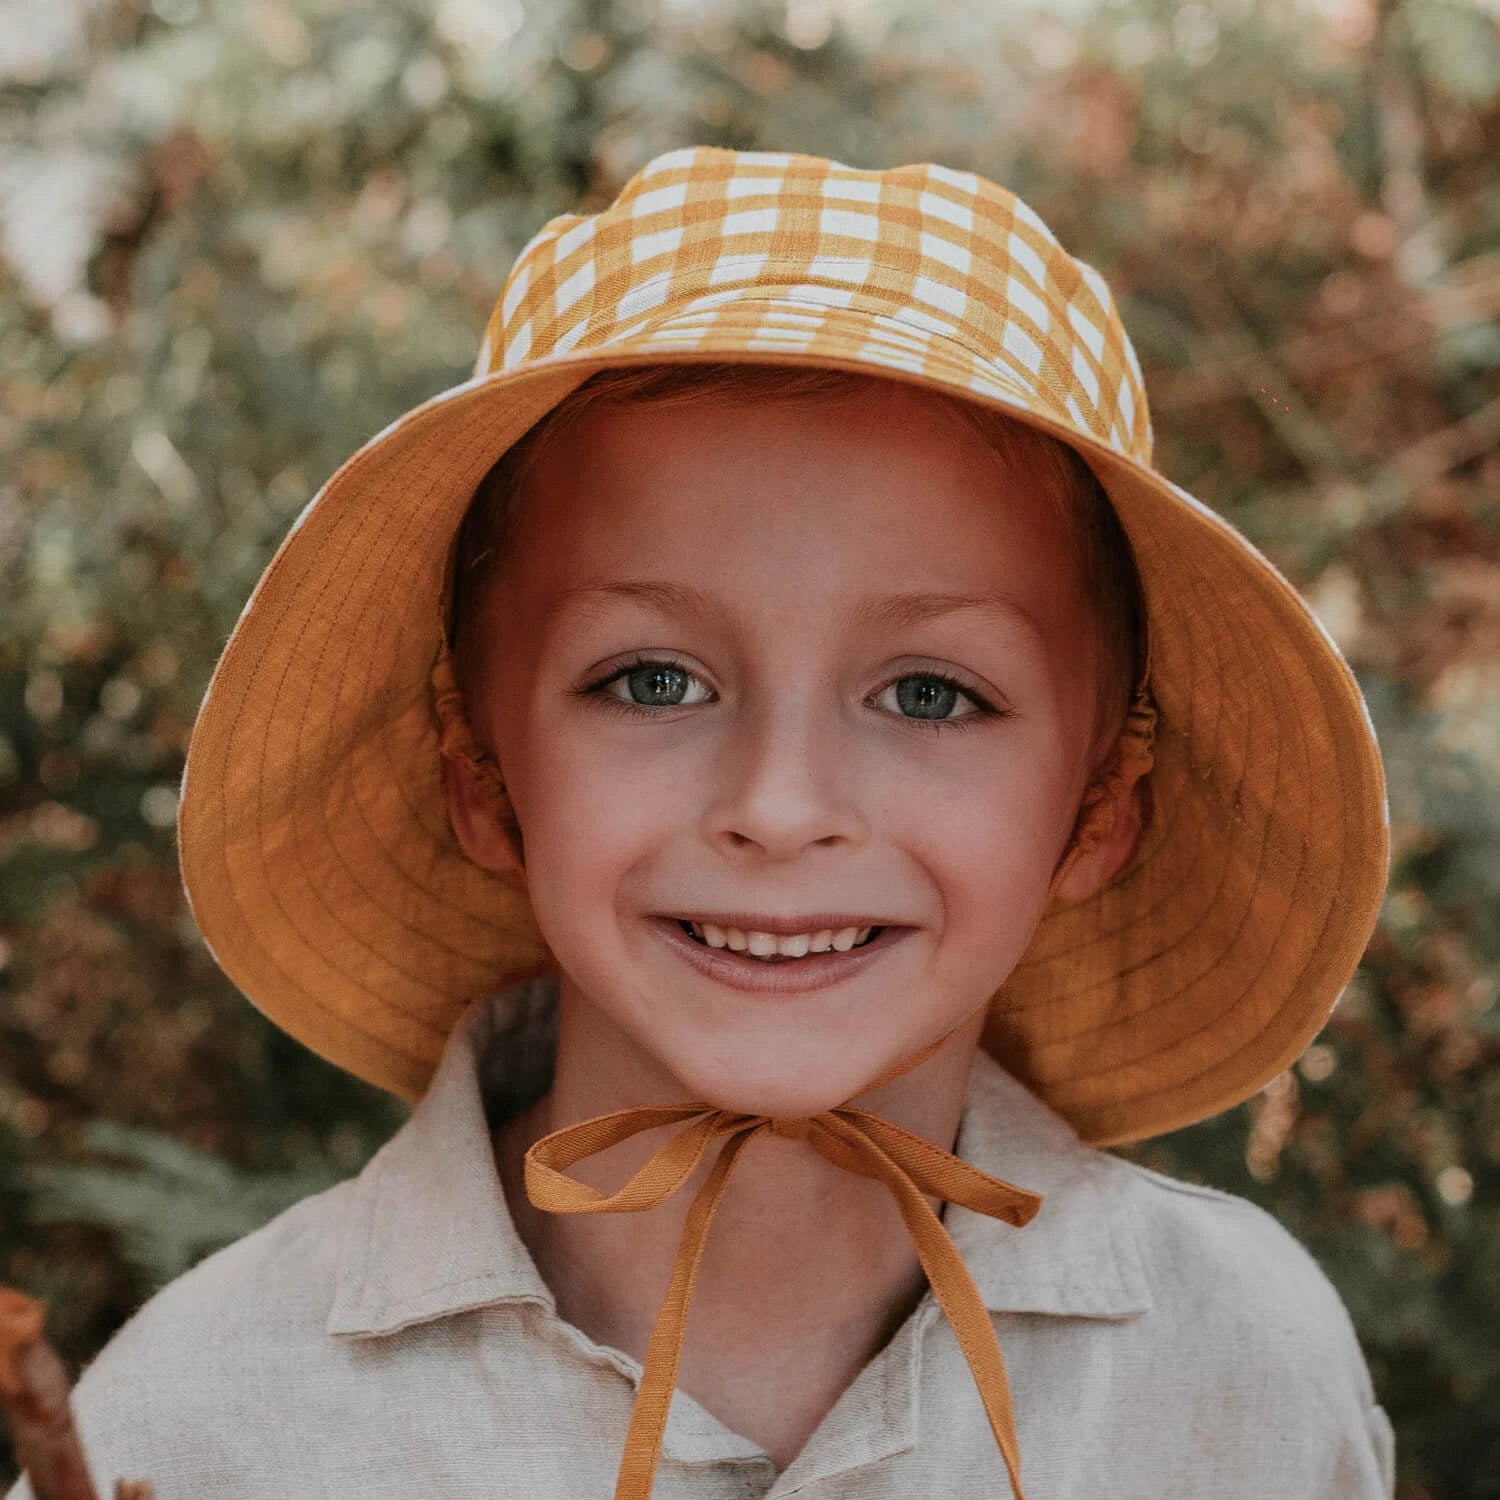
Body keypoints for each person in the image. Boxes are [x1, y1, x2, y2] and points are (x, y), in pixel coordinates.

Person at [5, 146, 1395, 1499]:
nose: (779, 808)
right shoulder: (207, 1420)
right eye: (652, 680)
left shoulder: (1245, 1368)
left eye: (930, 694)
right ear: (482, 778)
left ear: (1100, 808)